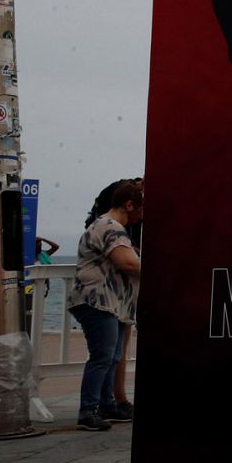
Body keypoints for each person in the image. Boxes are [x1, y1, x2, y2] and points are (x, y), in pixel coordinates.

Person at [67, 181, 144, 431]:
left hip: (109, 303)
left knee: (112, 356)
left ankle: (106, 404)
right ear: (129, 205)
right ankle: (87, 411)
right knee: (102, 356)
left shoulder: (107, 226)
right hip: (97, 301)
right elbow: (128, 263)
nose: (142, 216)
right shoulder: (111, 227)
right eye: (141, 209)